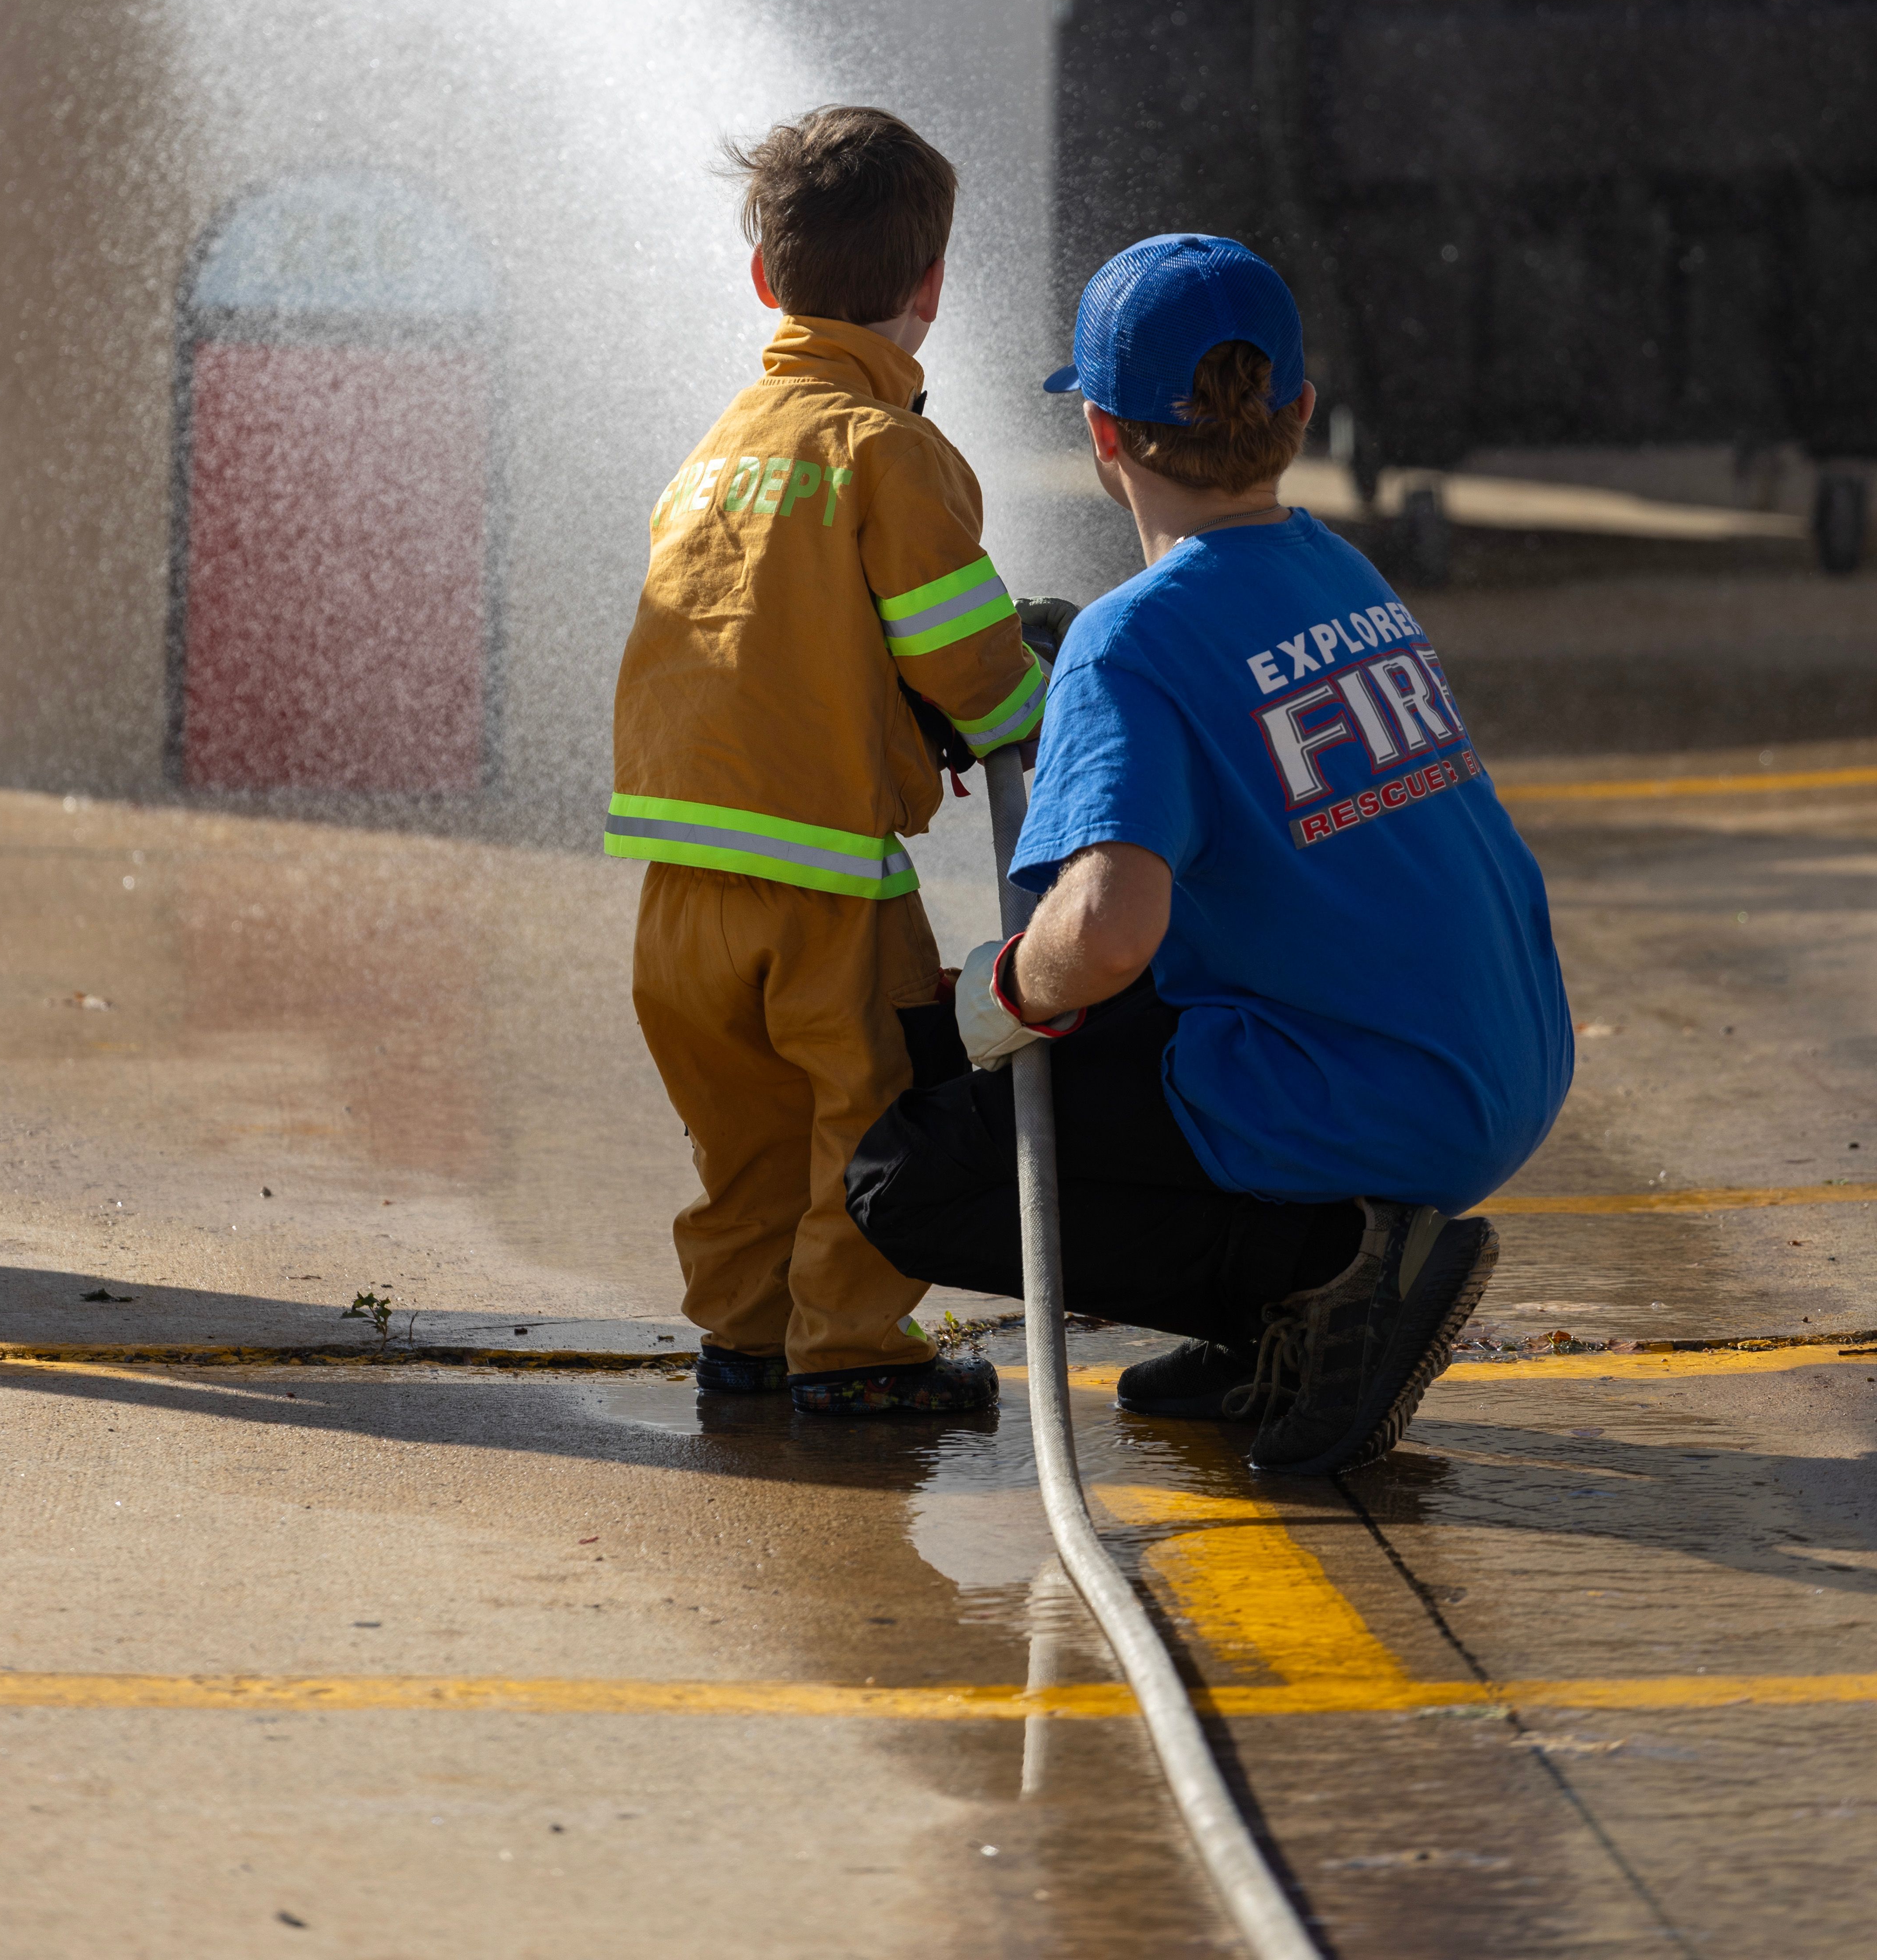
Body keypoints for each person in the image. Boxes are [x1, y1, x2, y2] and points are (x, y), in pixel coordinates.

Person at [847, 233, 1573, 1477]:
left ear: (1104, 436)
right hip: (1501, 1064)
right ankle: (1281, 1315)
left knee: (908, 1177)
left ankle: (1319, 1278)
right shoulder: (1340, 572)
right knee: (1123, 1033)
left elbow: (1114, 931)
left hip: (1375, 1100)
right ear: (1297, 408)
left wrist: (1002, 994)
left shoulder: (1133, 643)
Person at [605, 106, 1048, 1416]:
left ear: (763, 282)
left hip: (678, 889)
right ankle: (850, 1354)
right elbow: (966, 663)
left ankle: (745, 1340)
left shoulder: (714, 454)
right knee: (870, 1111)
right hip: (827, 885)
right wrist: (1040, 698)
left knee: (740, 1131)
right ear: (931, 290)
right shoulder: (888, 452)